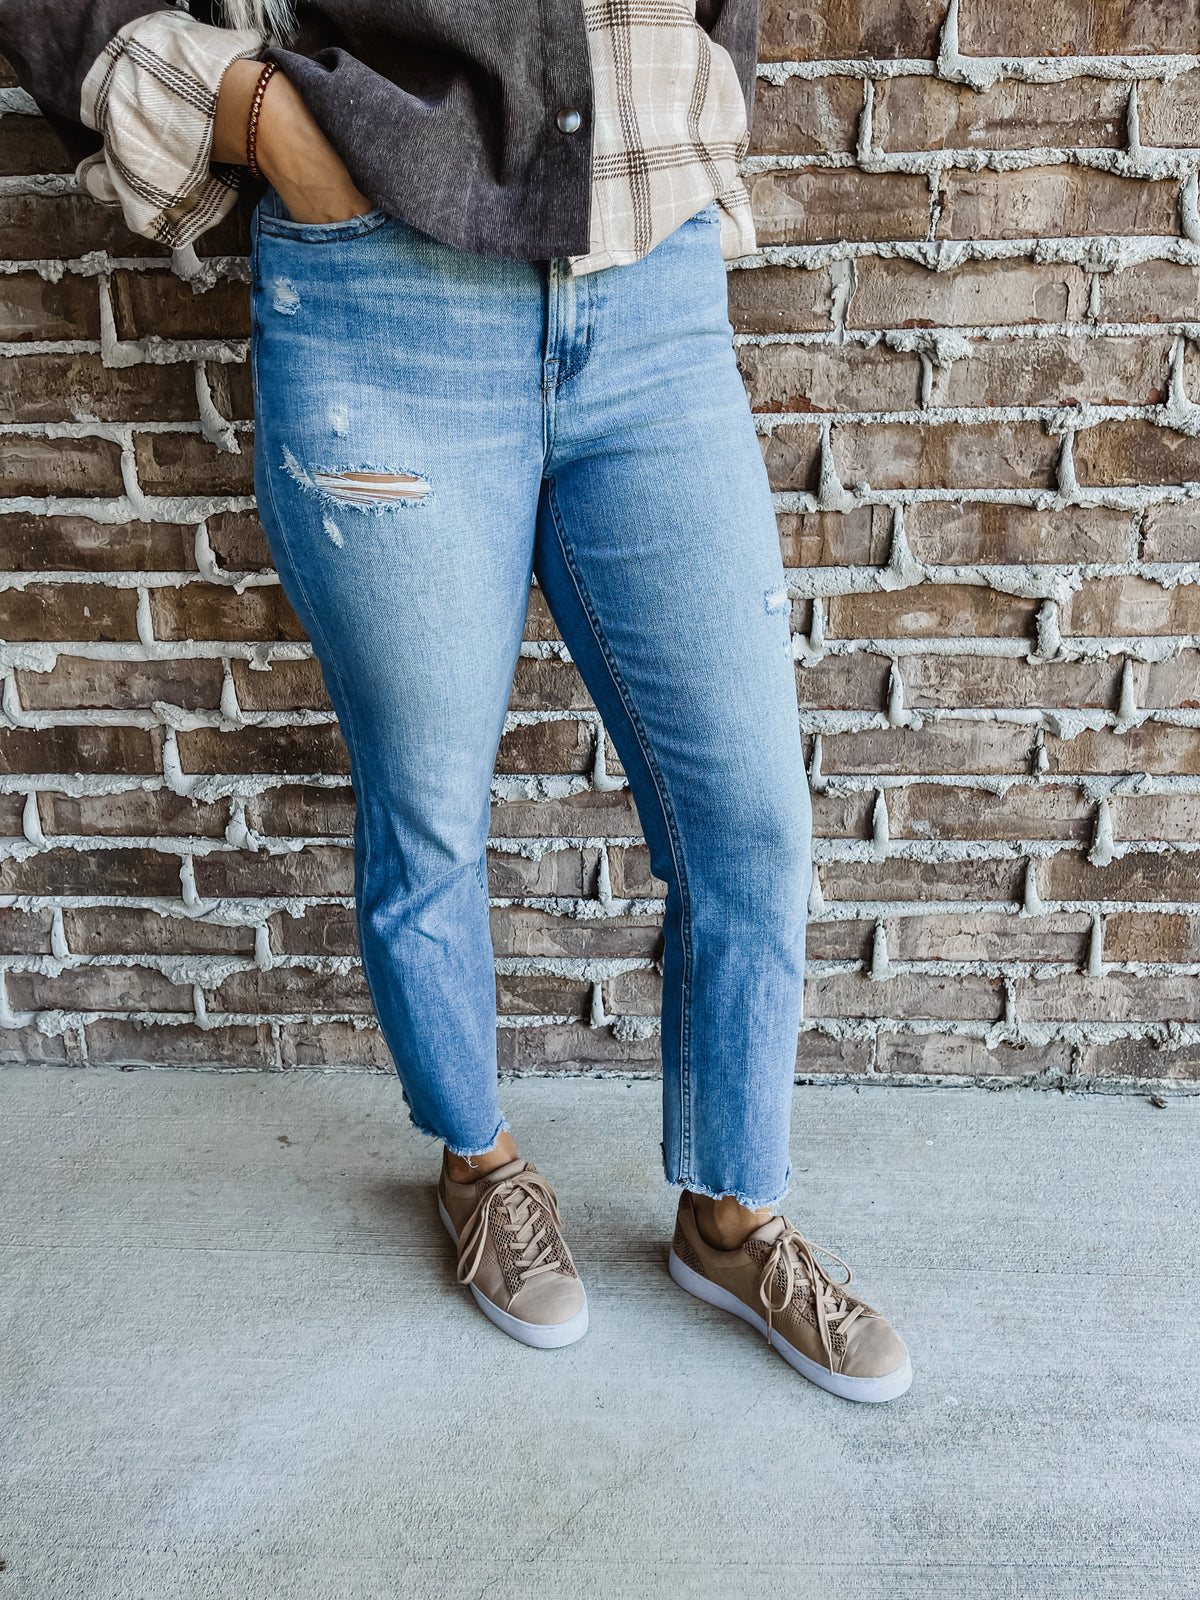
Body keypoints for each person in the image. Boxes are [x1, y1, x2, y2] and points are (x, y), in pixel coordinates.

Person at [3, 0, 911, 1400]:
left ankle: (733, 1221)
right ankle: (479, 1167)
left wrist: (700, 102)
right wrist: (262, 121)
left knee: (752, 818)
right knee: (428, 807)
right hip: (384, 295)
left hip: (652, 294)